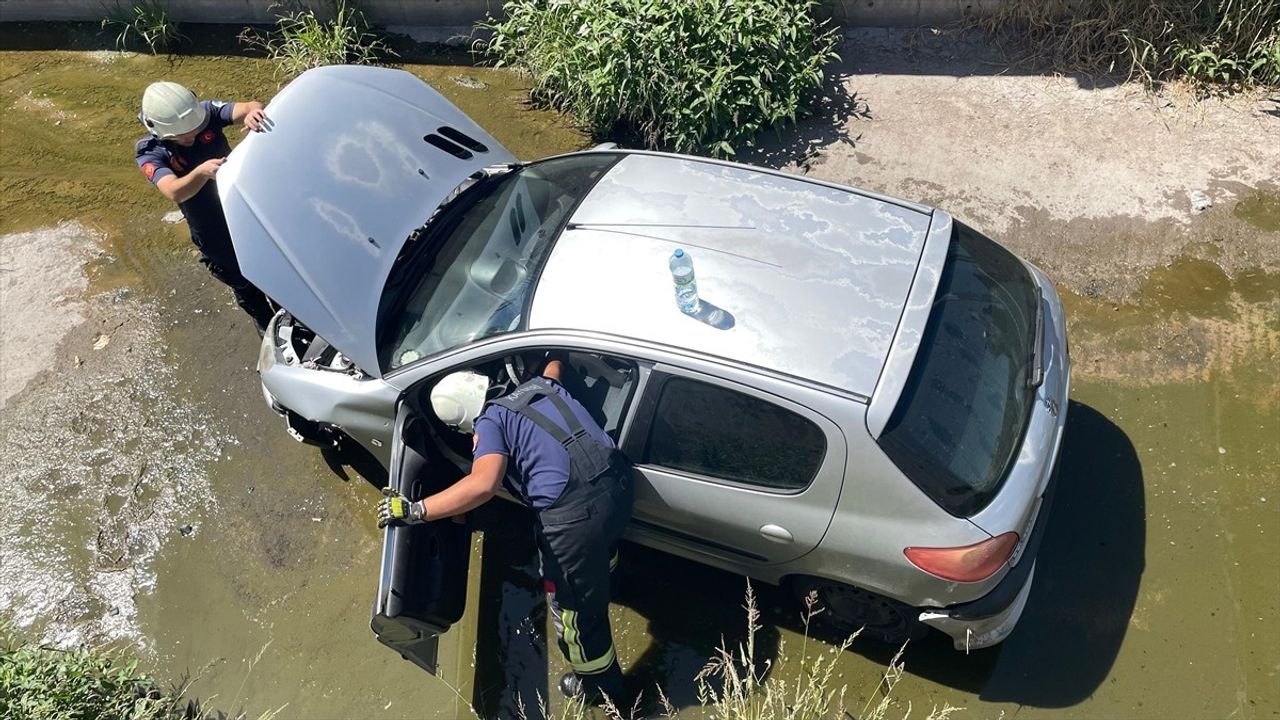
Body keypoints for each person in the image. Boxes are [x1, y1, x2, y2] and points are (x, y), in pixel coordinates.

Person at [378, 356, 635, 704]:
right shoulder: (541, 387)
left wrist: (417, 510)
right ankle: (611, 583)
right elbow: (555, 365)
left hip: (574, 520)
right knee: (602, 548)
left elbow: (483, 484)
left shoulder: (491, 421)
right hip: (617, 485)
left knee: (573, 613)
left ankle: (600, 687)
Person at [134, 81, 275, 334]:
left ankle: (296, 315)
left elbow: (249, 107)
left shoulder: (205, 112)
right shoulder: (150, 152)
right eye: (182, 135)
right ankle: (268, 330)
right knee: (243, 283)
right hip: (210, 227)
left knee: (271, 265)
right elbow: (173, 191)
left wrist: (254, 113)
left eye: (195, 129)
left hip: (241, 206)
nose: (191, 136)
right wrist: (200, 173)